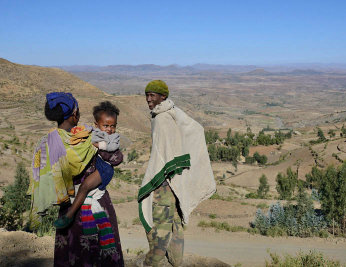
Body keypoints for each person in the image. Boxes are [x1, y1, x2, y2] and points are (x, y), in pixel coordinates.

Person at [28, 92, 124, 266]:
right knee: (99, 253)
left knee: (71, 252)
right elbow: (115, 157)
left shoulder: (47, 142)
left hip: (67, 203)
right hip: (96, 206)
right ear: (74, 114)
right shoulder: (85, 137)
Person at [138, 80, 216, 266]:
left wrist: (154, 177)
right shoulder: (173, 111)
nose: (149, 99)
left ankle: (152, 262)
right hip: (175, 181)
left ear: (162, 96)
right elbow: (196, 129)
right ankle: (176, 261)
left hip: (164, 184)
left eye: (153, 95)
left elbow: (162, 154)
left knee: (160, 226)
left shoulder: (162, 118)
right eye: (147, 95)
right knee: (175, 223)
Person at [53, 101, 123, 229]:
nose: (109, 129)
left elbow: (115, 151)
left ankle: (70, 215)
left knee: (85, 186)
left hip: (105, 168)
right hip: (99, 167)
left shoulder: (113, 137)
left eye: (113, 126)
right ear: (96, 125)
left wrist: (99, 146)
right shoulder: (93, 133)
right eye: (106, 125)